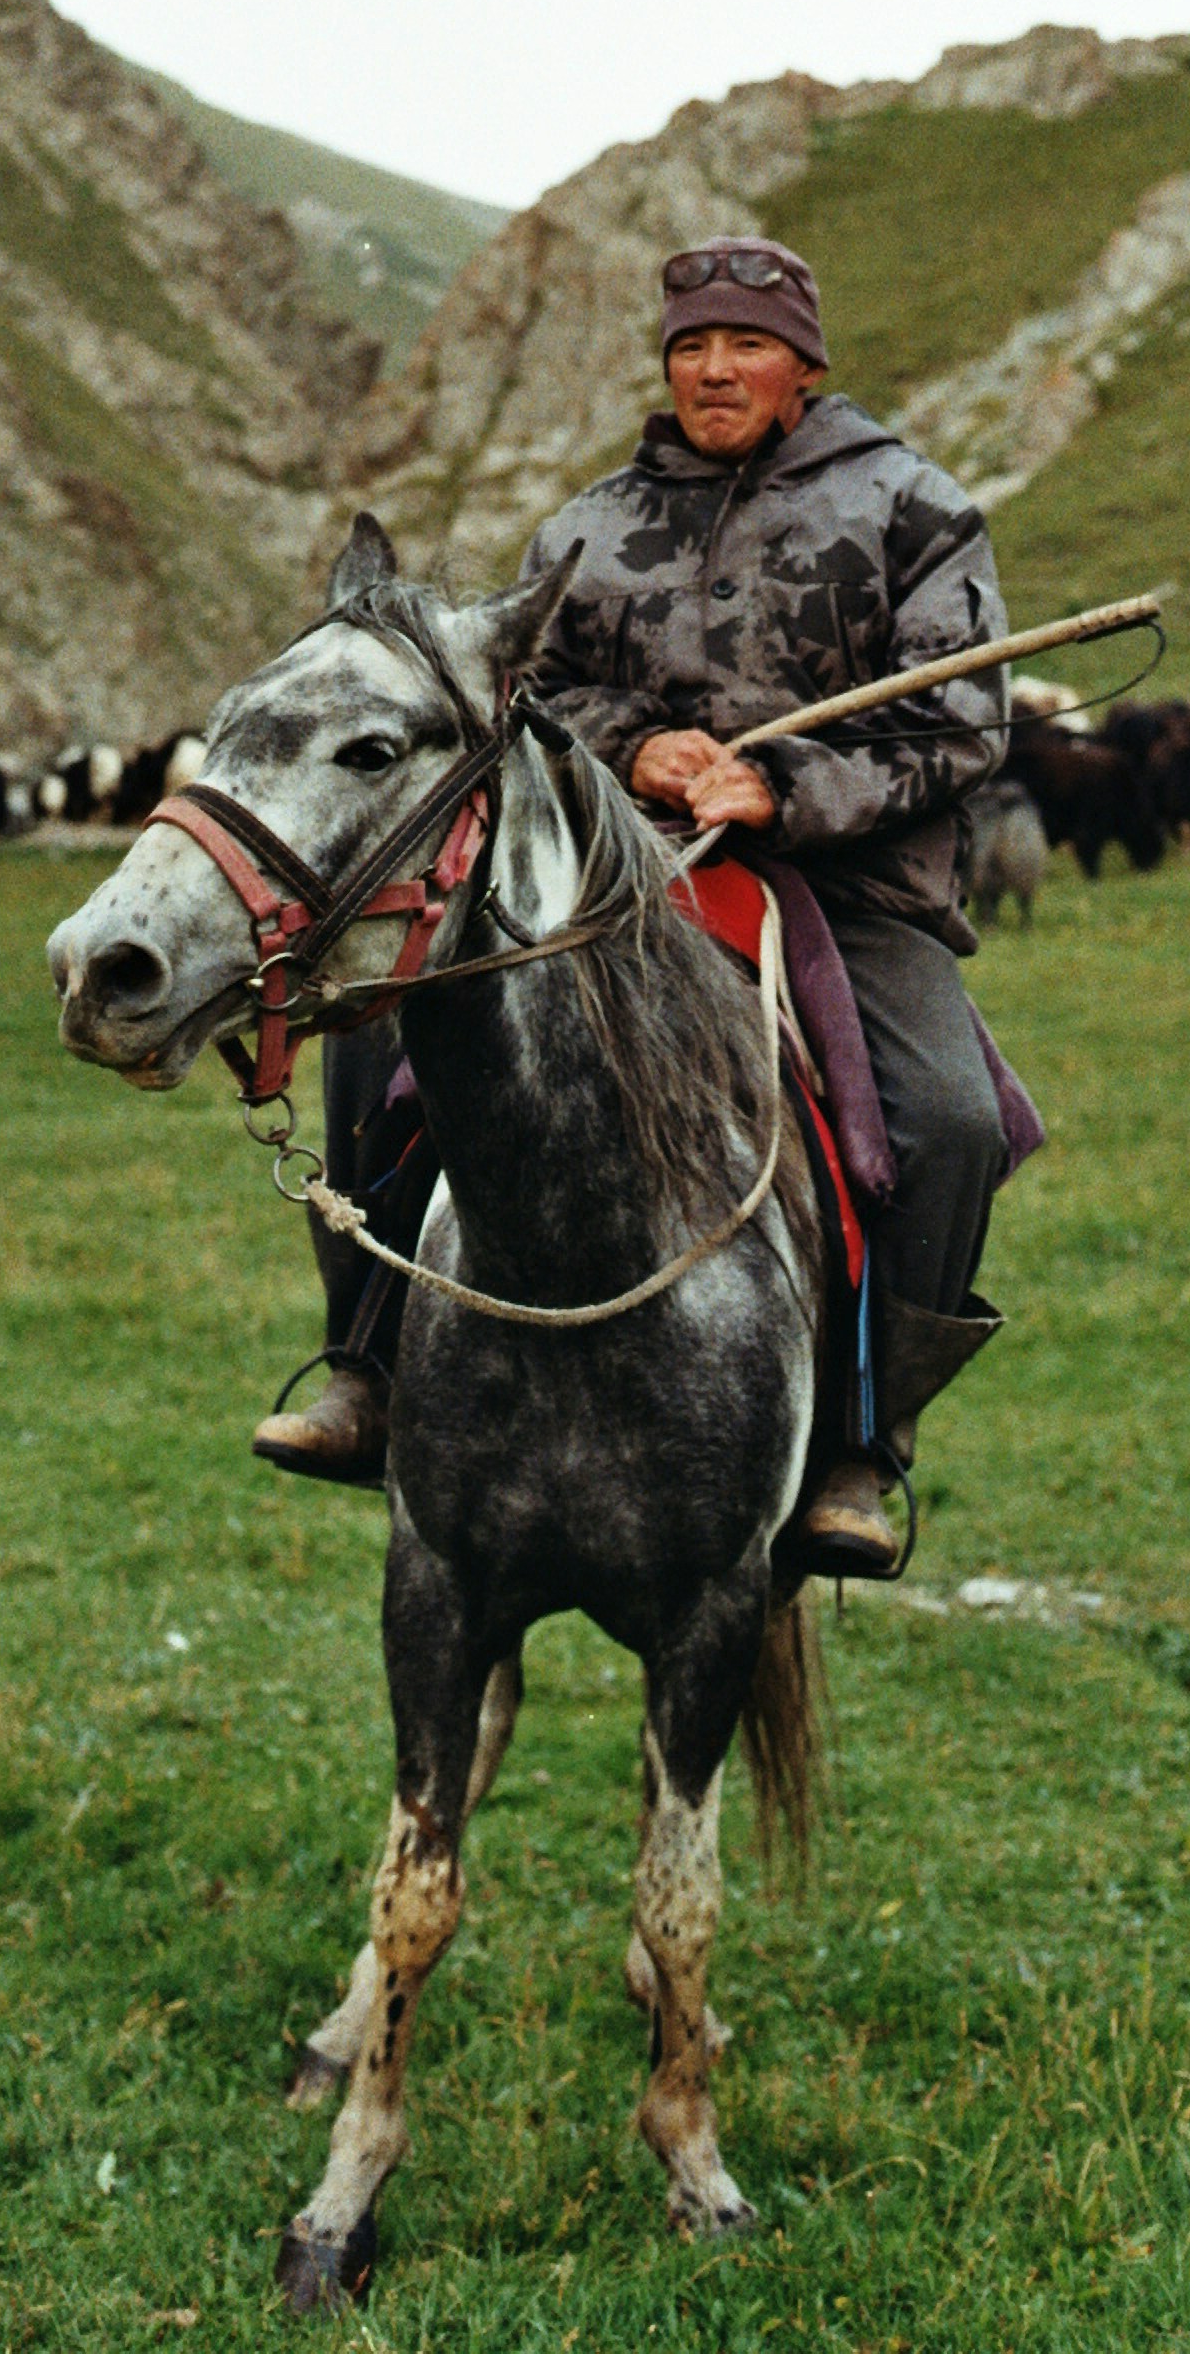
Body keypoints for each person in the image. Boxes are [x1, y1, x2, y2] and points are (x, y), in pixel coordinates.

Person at [255, 235, 1018, 1576]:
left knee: (951, 1121)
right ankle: (367, 1363)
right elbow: (515, 699)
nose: (714, 368)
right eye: (690, 346)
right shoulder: (591, 524)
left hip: (842, 885)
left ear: (806, 365)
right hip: (608, 870)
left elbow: (962, 721)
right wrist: (635, 749)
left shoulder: (914, 509)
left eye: (746, 346)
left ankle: (863, 1445)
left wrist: (785, 784)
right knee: (383, 1029)